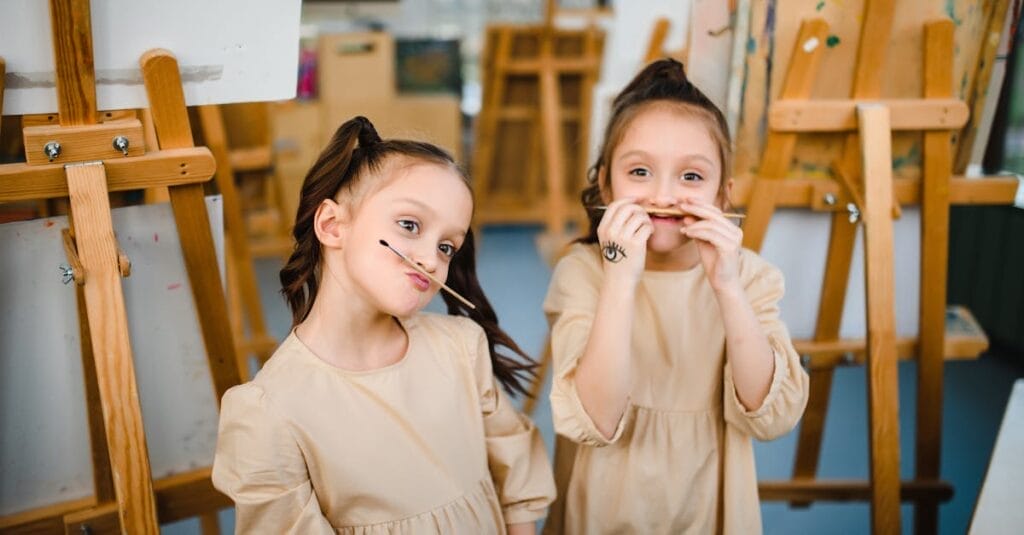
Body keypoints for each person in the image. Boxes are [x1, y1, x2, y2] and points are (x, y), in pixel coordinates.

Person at [212, 116, 555, 534]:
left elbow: (517, 484)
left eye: (447, 246)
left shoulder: (462, 349)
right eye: (410, 225)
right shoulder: (267, 411)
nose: (431, 259)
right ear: (332, 226)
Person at [542, 59, 809, 534]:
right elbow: (596, 420)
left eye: (691, 177)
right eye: (640, 171)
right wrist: (621, 280)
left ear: (723, 196)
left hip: (709, 504)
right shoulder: (583, 274)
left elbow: (770, 416)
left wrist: (727, 288)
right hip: (605, 504)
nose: (663, 194)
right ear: (606, 183)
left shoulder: (749, 278)